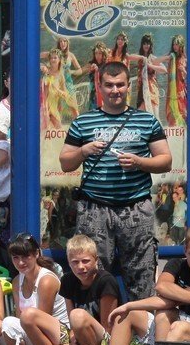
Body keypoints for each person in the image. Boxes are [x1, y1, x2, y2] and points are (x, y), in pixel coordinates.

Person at [58, 61, 172, 301]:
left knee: (141, 271)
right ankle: (98, 330)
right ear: (100, 86)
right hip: (95, 208)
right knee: (93, 272)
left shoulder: (146, 120)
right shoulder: (83, 122)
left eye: (120, 85)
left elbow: (165, 161)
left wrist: (139, 162)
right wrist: (84, 151)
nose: (115, 90)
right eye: (109, 85)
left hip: (135, 207)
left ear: (128, 86)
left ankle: (142, 331)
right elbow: (66, 162)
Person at [105, 224, 190, 345]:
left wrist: (182, 295)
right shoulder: (176, 263)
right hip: (166, 327)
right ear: (185, 251)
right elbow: (161, 286)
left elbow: (170, 301)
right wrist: (127, 306)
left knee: (164, 312)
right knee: (127, 315)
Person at [58, 234, 121, 345]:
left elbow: (108, 327)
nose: (81, 267)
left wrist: (71, 344)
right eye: (75, 262)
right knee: (30, 316)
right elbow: (70, 320)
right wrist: (74, 339)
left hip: (103, 339)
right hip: (79, 333)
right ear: (68, 262)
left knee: (78, 315)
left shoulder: (106, 281)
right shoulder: (67, 280)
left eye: (86, 261)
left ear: (96, 260)